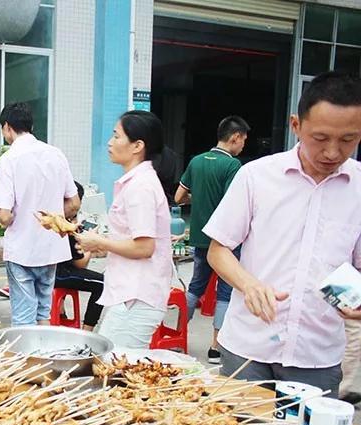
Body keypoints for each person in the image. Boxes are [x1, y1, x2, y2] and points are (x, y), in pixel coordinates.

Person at [204, 71, 361, 397]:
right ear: (296, 125)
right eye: (320, 138)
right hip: (248, 346)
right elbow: (218, 250)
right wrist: (249, 284)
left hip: (316, 356)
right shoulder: (257, 176)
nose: (332, 152)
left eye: (348, 140)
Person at [75, 110, 173, 348]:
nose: (110, 142)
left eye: (117, 136)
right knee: (114, 366)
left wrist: (100, 243)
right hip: (130, 293)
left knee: (115, 367)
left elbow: (144, 246)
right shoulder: (137, 182)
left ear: (137, 145)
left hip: (137, 296)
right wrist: (101, 243)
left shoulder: (141, 187)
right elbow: (131, 238)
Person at [0, 102, 80, 326]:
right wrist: (54, 218)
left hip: (22, 249)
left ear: (7, 127)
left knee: (23, 317)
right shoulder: (56, 154)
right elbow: (74, 203)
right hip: (50, 249)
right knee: (43, 313)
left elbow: (5, 217)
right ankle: (44, 357)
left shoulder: (8, 160)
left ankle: (27, 360)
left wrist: (0, 214)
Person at [174, 115, 250, 364]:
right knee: (225, 293)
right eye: (243, 141)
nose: (243, 146)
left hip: (199, 238)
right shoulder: (232, 166)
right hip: (225, 242)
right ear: (235, 137)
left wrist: (197, 201)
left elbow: (178, 197)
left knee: (196, 286)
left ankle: (178, 336)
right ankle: (215, 348)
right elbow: (233, 204)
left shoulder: (196, 162)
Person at [55, 181, 104, 330]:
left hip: (46, 270)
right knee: (104, 284)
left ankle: (60, 313)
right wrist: (90, 243)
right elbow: (80, 264)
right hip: (59, 275)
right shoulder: (65, 225)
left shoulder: (53, 218)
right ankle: (87, 331)